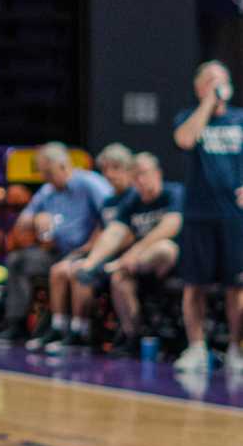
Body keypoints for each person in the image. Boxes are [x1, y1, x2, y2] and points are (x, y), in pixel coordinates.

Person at [65, 150, 183, 358]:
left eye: (144, 173)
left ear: (157, 173)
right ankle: (133, 336)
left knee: (163, 247)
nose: (140, 180)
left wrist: (135, 252)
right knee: (119, 280)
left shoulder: (174, 192)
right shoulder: (132, 201)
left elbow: (171, 225)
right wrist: (90, 263)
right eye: (135, 176)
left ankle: (113, 266)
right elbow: (114, 232)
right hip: (136, 265)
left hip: (172, 262)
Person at [172, 59, 243, 380]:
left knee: (236, 286)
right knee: (194, 285)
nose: (219, 85)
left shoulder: (240, 119)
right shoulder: (189, 117)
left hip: (234, 218)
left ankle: (236, 348)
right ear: (200, 87)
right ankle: (197, 347)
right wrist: (206, 105)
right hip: (199, 215)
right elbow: (185, 140)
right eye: (212, 80)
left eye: (223, 79)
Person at [1, 141, 109, 349]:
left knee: (68, 270)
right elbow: (21, 221)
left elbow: (112, 217)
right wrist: (35, 219)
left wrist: (89, 247)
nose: (45, 178)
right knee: (18, 260)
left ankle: (72, 329)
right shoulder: (47, 190)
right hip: (56, 251)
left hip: (86, 251)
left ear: (63, 166)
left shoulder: (89, 183)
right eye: (43, 174)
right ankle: (17, 323)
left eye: (48, 173)